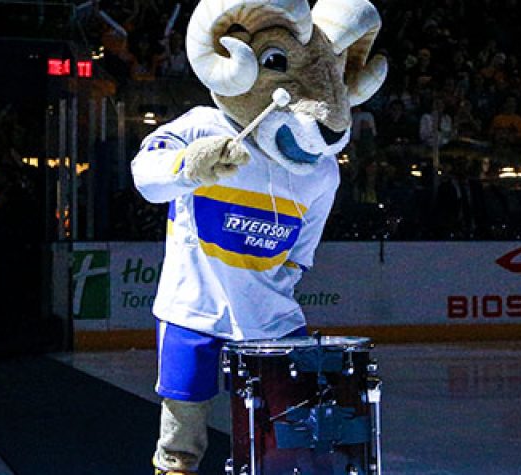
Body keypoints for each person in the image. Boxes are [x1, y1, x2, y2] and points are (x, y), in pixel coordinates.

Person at [129, 0, 387, 473]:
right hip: (193, 309)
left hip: (271, 320)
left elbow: (302, 250)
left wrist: (275, 285)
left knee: (288, 433)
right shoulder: (200, 127)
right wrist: (188, 166)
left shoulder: (320, 172)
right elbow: (146, 176)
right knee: (180, 440)